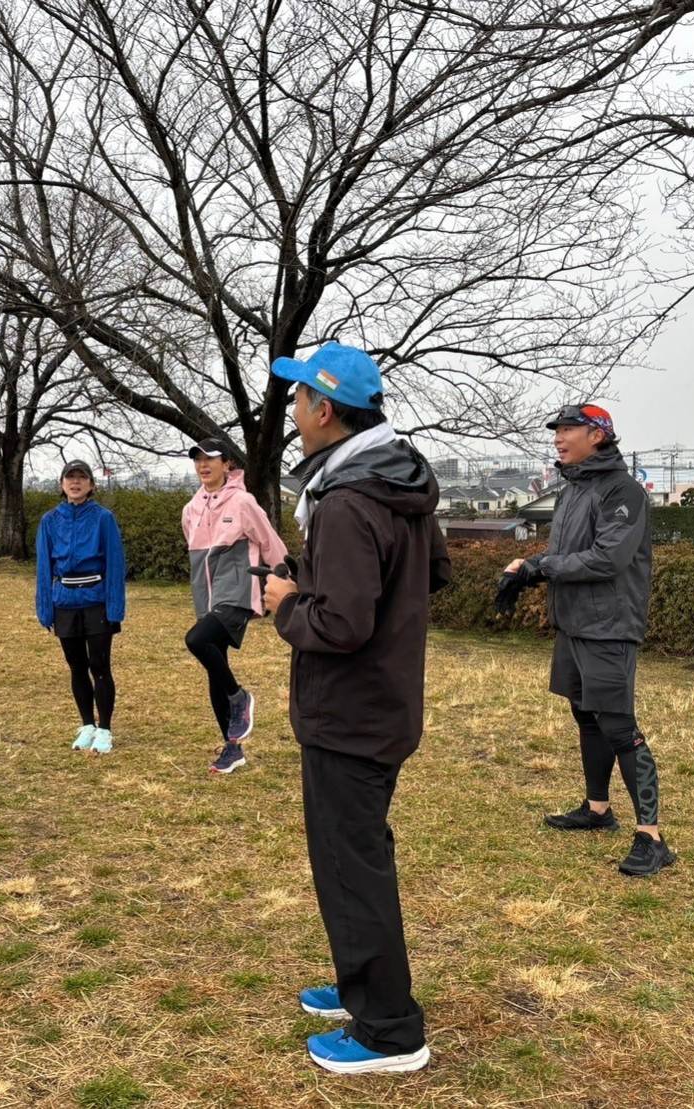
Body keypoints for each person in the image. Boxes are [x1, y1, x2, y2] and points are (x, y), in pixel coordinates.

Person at [262, 342, 449, 1075]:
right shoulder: (396, 482)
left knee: (350, 863)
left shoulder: (346, 499)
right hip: (384, 702)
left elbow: (338, 623)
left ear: (325, 409)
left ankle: (389, 1030)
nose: (295, 412)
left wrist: (287, 602)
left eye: (301, 398)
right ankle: (359, 985)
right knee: (355, 855)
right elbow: (430, 571)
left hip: (348, 713)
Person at [495, 403, 675, 877]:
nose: (559, 436)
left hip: (609, 626)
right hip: (574, 623)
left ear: (598, 435)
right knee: (585, 714)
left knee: (619, 725)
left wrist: (544, 567)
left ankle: (652, 838)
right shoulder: (572, 489)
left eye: (569, 428)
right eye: (557, 429)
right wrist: (529, 567)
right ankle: (598, 809)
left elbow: (606, 559)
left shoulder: (624, 491)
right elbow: (564, 553)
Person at [180, 437, 287, 774]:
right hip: (206, 598)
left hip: (237, 594)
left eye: (210, 458)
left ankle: (239, 698)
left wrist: (287, 578)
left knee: (196, 640)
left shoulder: (242, 502)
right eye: (197, 459)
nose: (203, 465)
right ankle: (232, 748)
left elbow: (269, 541)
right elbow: (198, 559)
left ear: (227, 464)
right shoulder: (190, 509)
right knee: (215, 667)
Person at [35, 459, 126, 755]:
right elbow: (43, 566)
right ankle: (87, 723)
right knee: (76, 666)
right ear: (62, 484)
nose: (75, 483)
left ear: (91, 484)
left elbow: (115, 563)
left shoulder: (103, 518)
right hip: (64, 601)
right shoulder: (50, 521)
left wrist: (115, 607)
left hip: (96, 600)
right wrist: (44, 608)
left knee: (100, 666)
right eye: (70, 478)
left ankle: (105, 728)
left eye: (81, 478)